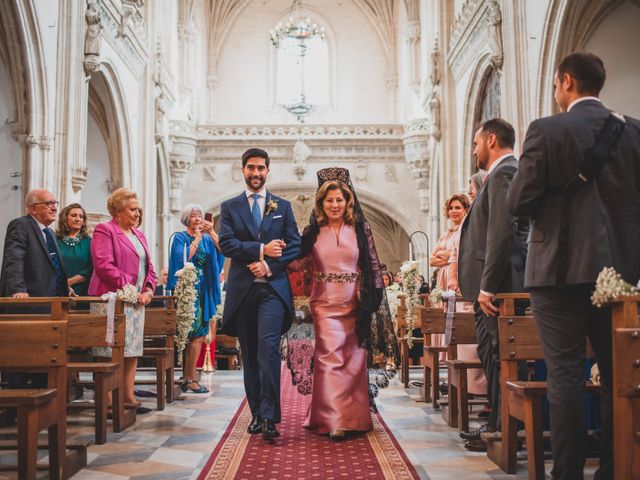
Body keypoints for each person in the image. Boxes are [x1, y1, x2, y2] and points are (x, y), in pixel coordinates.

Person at [508, 52, 640, 480]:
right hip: (620, 274)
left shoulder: (547, 130)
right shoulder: (634, 132)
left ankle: (566, 474)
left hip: (557, 269)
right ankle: (616, 468)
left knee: (564, 373)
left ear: (566, 82)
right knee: (619, 373)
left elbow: (518, 202)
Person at [288, 168, 398, 441]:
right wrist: (272, 256)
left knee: (353, 358)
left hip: (354, 301)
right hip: (324, 302)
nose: (334, 205)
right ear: (321, 204)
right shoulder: (312, 232)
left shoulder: (361, 229)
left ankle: (354, 417)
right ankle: (333, 419)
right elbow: (298, 262)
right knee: (330, 356)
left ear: (348, 201)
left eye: (339, 200)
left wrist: (371, 295)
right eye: (329, 201)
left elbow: (371, 262)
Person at [218, 148, 301, 441]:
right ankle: (255, 413)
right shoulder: (230, 208)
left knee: (267, 352)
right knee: (250, 356)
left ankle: (269, 417)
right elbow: (226, 244)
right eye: (251, 168)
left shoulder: (283, 206)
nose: (256, 173)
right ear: (243, 170)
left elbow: (295, 245)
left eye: (261, 168)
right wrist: (261, 249)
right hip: (242, 293)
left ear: (268, 170)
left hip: (272, 291)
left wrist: (268, 264)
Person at [458, 118, 529, 452]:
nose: (473, 150)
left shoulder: (504, 174)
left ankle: (502, 430)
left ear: (490, 140)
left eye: (475, 143)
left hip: (498, 290)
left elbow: (501, 232)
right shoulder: (498, 175)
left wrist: (487, 287)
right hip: (492, 289)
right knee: (493, 356)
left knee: (501, 356)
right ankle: (496, 425)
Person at [88, 188, 156, 413]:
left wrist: (148, 289)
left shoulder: (139, 235)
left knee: (132, 350)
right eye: (132, 209)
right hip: (111, 300)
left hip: (135, 302)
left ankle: (128, 398)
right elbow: (104, 266)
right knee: (108, 352)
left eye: (138, 209)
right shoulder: (105, 230)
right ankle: (108, 401)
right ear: (117, 211)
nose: (137, 214)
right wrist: (131, 288)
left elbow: (149, 268)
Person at [168, 204, 224, 393]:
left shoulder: (208, 240)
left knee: (199, 333)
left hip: (203, 291)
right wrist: (197, 238)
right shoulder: (179, 237)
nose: (198, 218)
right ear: (186, 219)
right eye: (194, 215)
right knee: (188, 333)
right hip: (186, 292)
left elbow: (222, 251)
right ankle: (188, 377)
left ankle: (190, 376)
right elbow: (181, 259)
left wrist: (212, 232)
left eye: (200, 215)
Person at [0, 189, 68, 299]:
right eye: (48, 204)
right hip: (31, 299)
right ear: (33, 209)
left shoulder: (50, 232)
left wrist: (64, 287)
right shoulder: (21, 225)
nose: (55, 208)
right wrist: (17, 289)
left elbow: (52, 267)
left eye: (55, 203)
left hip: (56, 299)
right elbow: (14, 259)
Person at [56, 203, 93, 296]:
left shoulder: (90, 242)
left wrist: (70, 282)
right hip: (57, 289)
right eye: (73, 215)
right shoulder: (55, 241)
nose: (78, 219)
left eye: (81, 217)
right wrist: (63, 284)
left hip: (82, 291)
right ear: (65, 218)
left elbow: (92, 268)